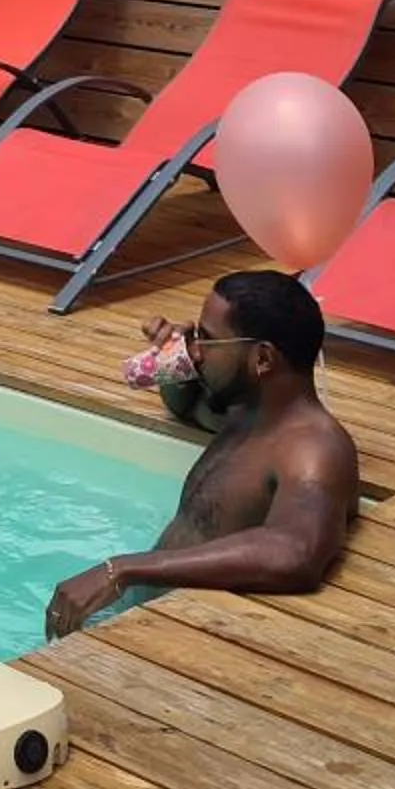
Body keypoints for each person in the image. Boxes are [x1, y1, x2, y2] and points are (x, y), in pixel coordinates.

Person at [43, 270, 359, 638]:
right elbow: (186, 406)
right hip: (136, 615)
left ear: (263, 359)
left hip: (178, 636)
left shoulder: (313, 450)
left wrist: (122, 569)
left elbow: (296, 551)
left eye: (207, 340)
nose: (195, 352)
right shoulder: (250, 411)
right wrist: (171, 357)